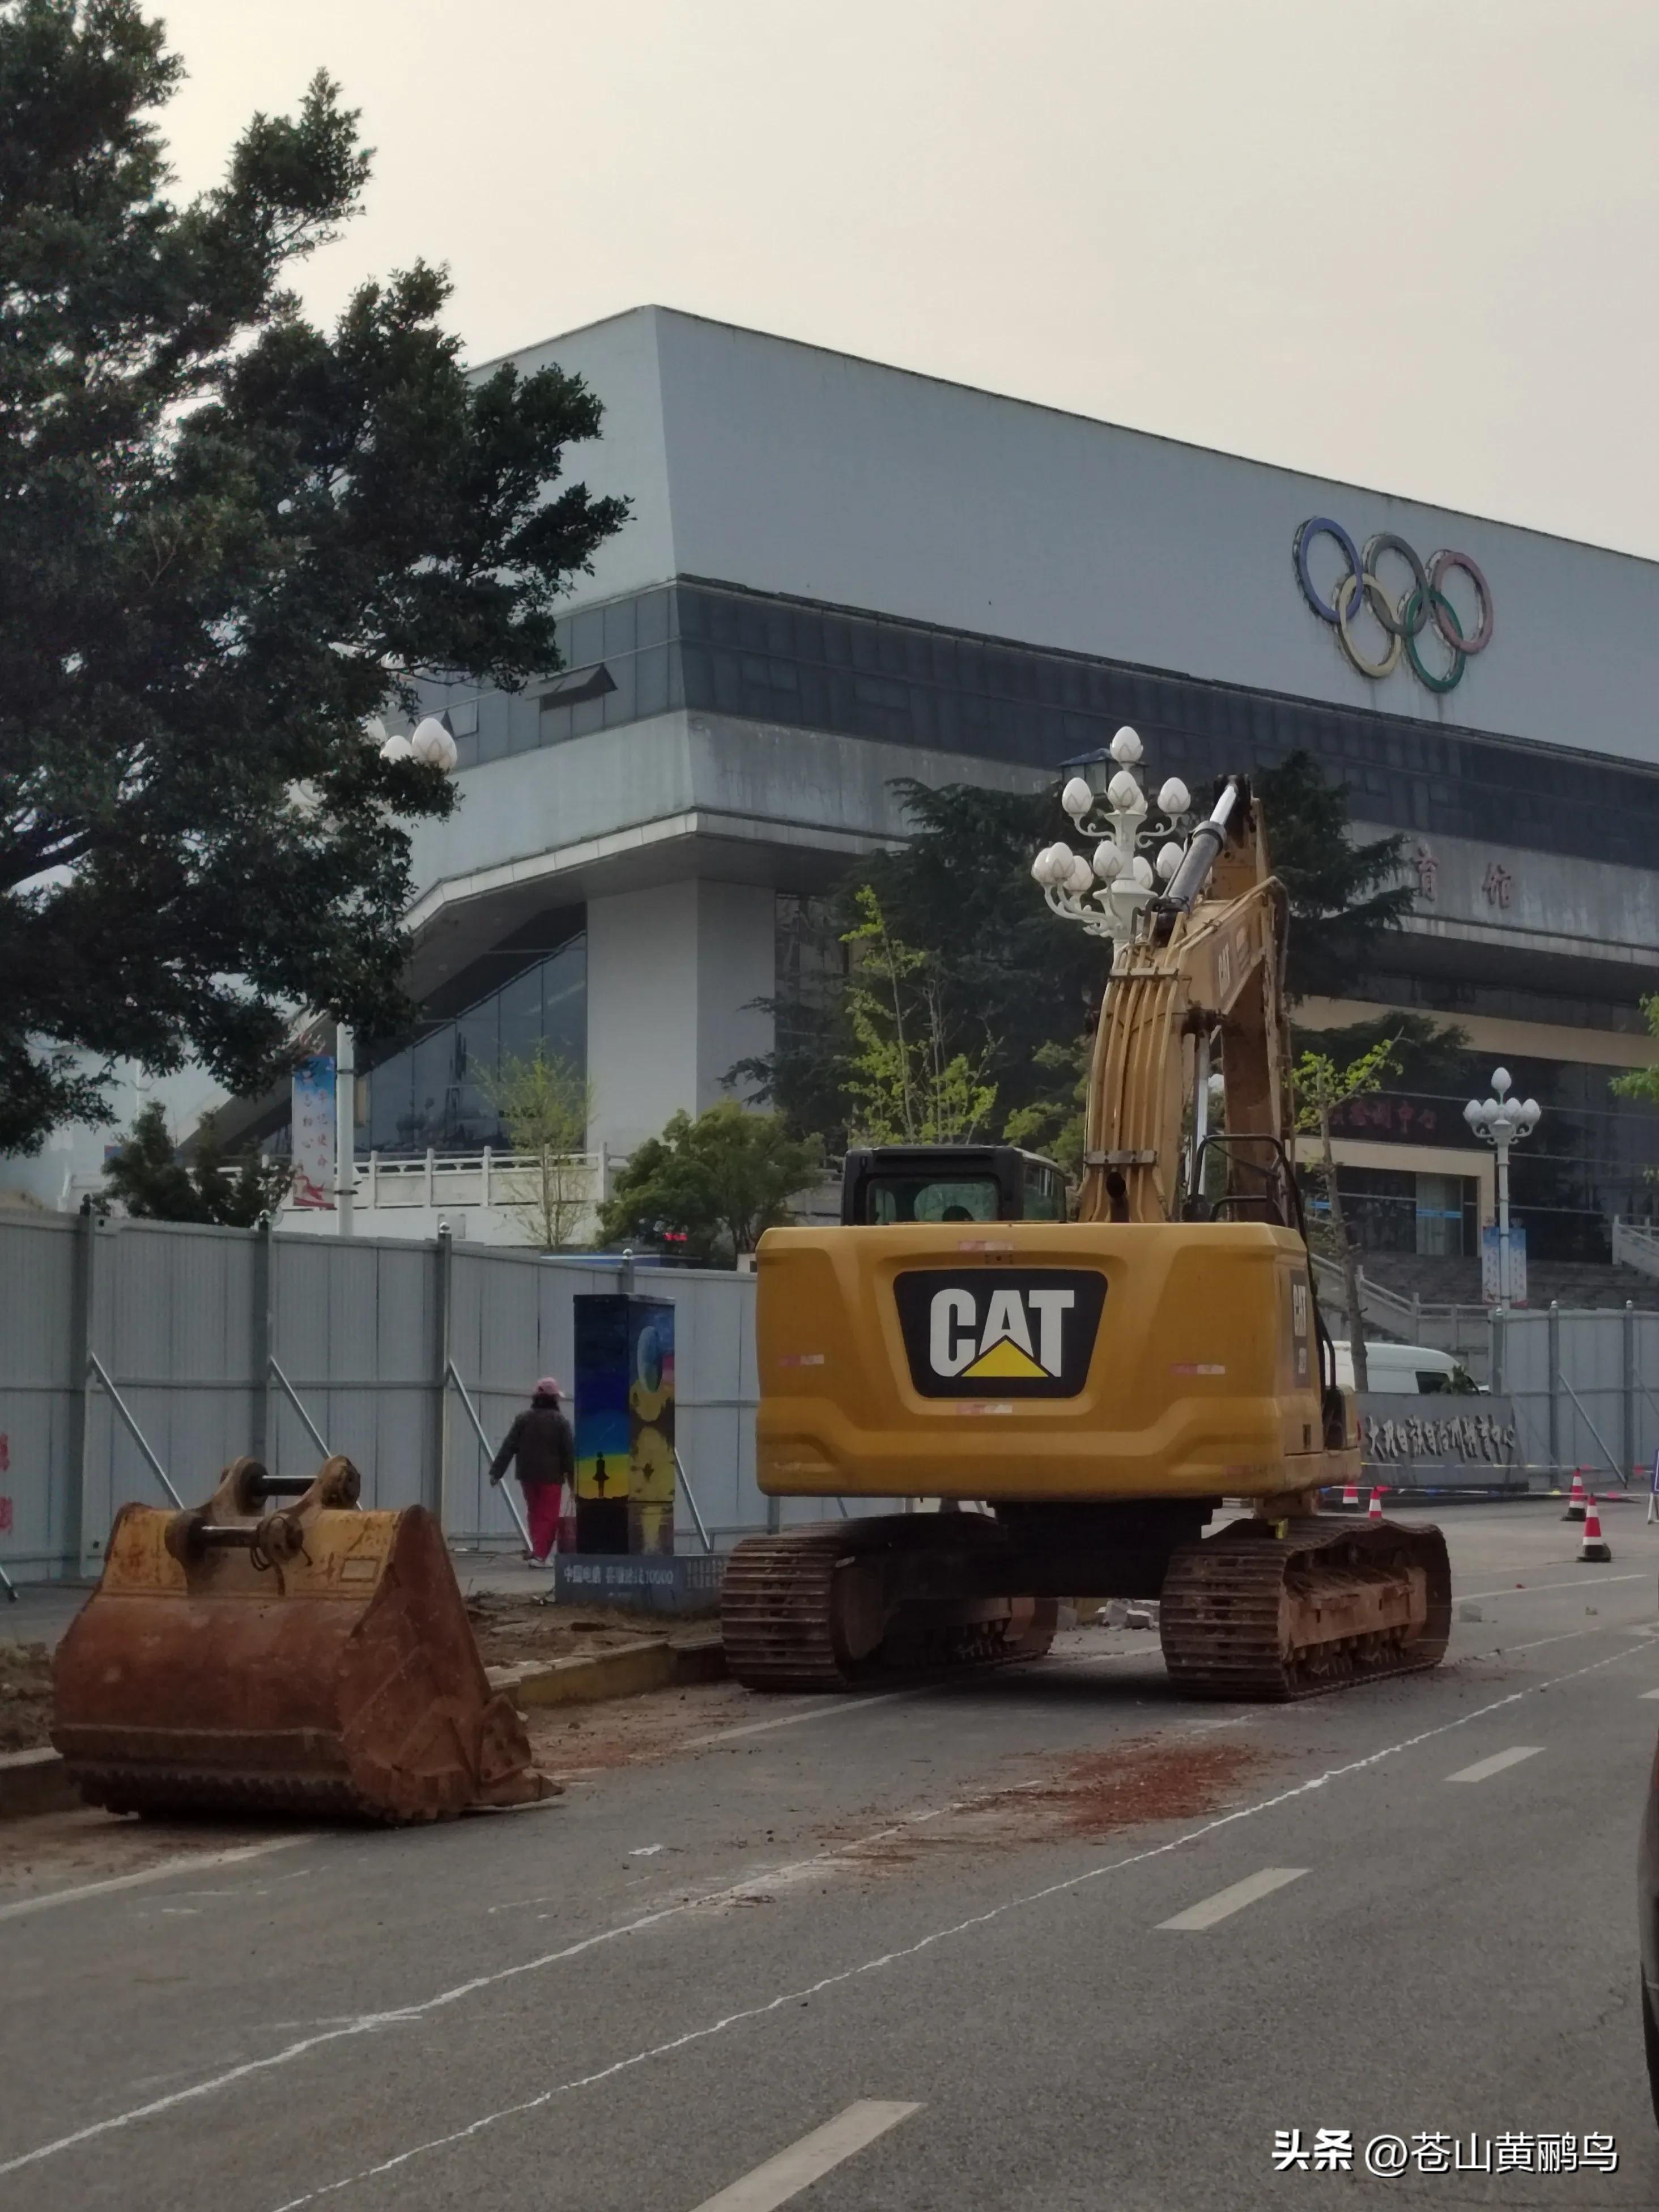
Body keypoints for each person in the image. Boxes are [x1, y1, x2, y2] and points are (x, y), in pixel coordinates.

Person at [488, 1377, 575, 1564]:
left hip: (527, 1475)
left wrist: (497, 1472)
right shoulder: (561, 1422)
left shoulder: (523, 1419)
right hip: (551, 1477)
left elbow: (509, 1446)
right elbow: (569, 1453)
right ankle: (541, 1556)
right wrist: (575, 1482)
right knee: (549, 1517)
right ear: (554, 1399)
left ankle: (537, 1551)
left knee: (535, 1514)